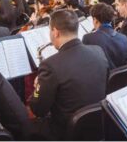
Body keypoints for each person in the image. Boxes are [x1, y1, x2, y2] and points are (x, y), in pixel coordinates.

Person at [29, 9, 109, 140]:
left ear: (55, 32)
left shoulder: (50, 65)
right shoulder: (98, 51)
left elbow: (38, 109)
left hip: (66, 131)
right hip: (97, 124)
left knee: (25, 128)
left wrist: (38, 87)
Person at [83, 3, 127, 69]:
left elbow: (86, 63)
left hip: (100, 77)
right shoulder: (124, 38)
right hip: (121, 78)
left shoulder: (88, 38)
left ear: (95, 20)